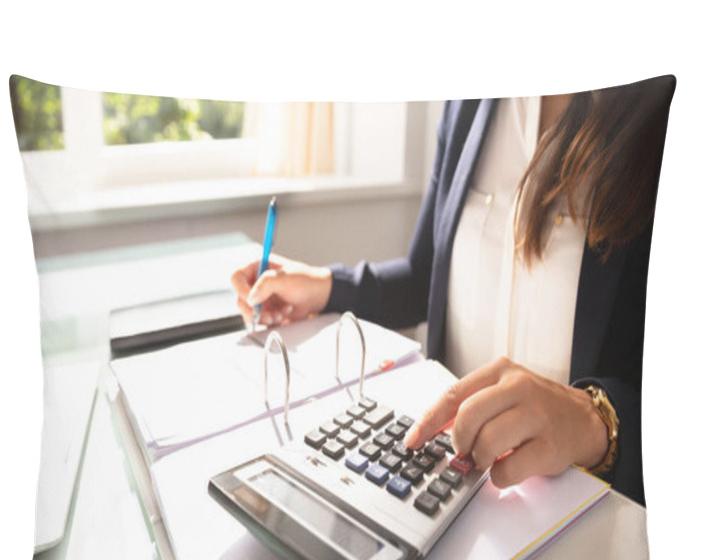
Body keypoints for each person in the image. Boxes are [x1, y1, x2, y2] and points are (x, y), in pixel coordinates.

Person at [231, 77, 675, 506]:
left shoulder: (666, 106)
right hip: (446, 485)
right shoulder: (470, 99)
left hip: (575, 517)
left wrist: (596, 420)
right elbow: (428, 273)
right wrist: (326, 287)